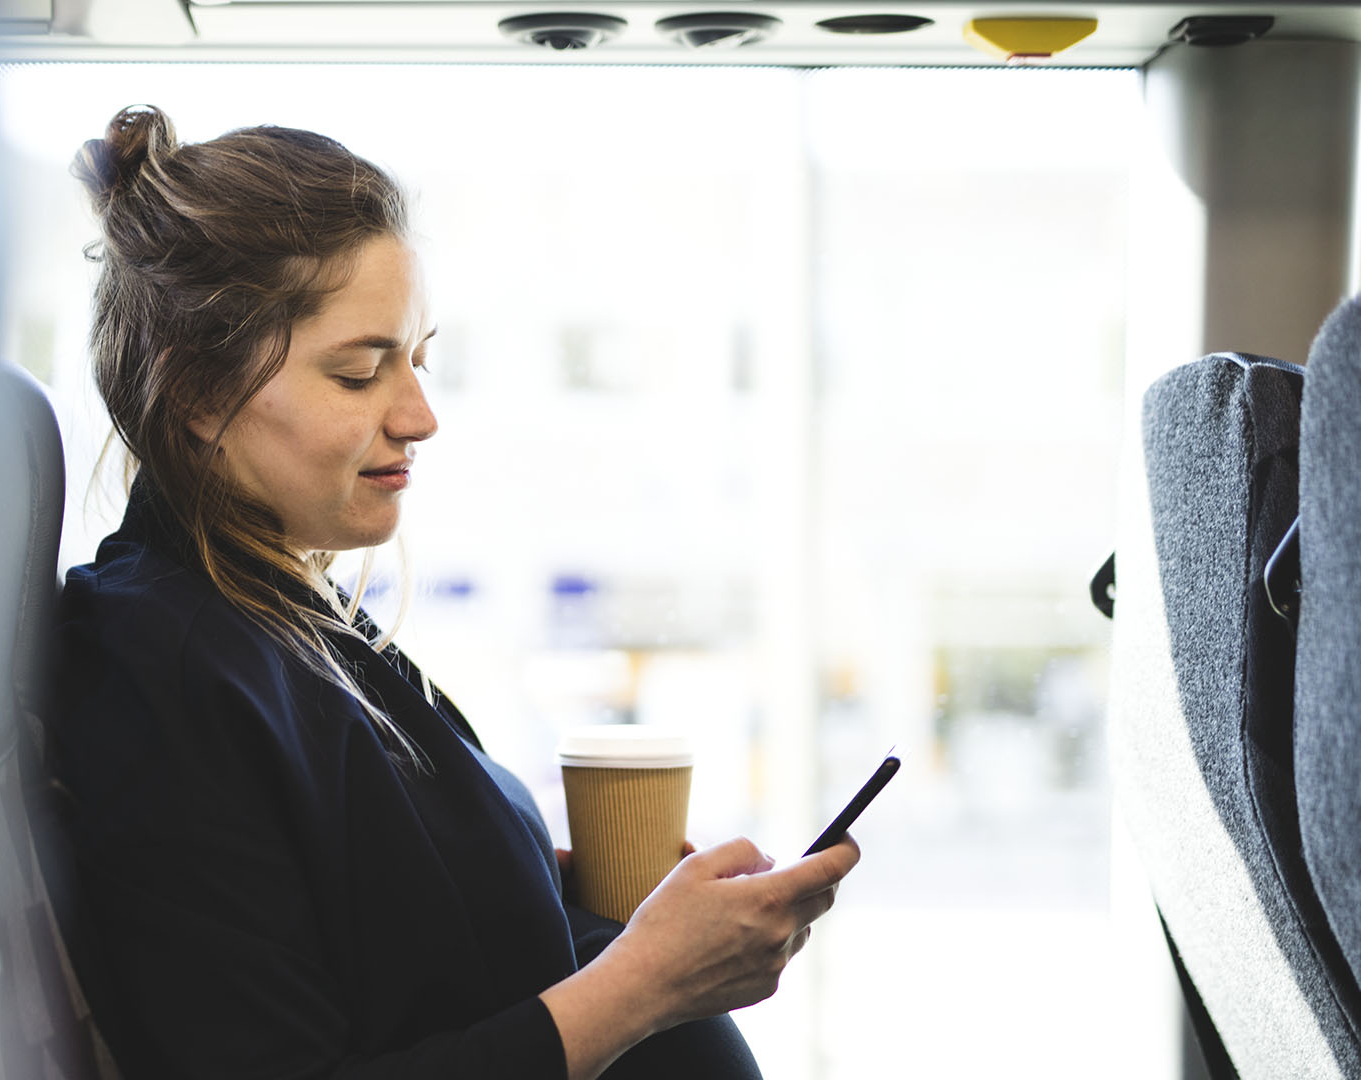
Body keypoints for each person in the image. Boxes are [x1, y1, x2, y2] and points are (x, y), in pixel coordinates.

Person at [47, 103, 861, 1080]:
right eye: (360, 373)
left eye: (419, 358)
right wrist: (648, 981)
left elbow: (367, 919)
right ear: (197, 394)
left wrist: (581, 897)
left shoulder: (281, 615)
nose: (420, 415)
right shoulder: (159, 672)